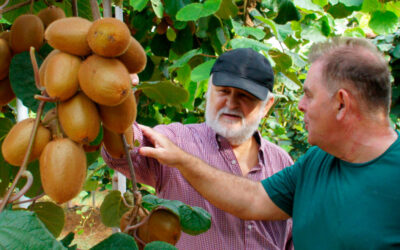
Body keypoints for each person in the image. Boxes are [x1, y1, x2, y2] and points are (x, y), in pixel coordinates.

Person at [138, 37, 400, 249]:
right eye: (223, 91)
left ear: (341, 103)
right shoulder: (315, 162)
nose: (300, 105)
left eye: (309, 95)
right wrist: (182, 159)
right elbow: (252, 199)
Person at [102, 48, 294, 249]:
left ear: (267, 105)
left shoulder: (281, 162)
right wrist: (116, 93)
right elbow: (124, 149)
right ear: (209, 90)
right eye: (224, 91)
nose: (231, 103)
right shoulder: (177, 140)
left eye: (245, 96)